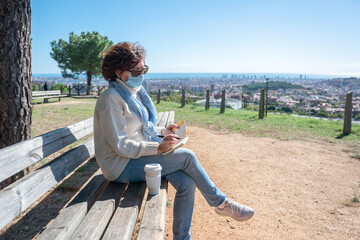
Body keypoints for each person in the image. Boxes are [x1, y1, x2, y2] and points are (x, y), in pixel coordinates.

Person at [94, 42, 254, 240]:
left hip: (135, 157)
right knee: (187, 156)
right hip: (119, 165)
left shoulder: (133, 93)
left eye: (143, 69)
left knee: (187, 183)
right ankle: (221, 204)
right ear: (118, 72)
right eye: (136, 71)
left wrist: (162, 131)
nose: (141, 75)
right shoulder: (111, 98)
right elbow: (121, 145)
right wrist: (158, 148)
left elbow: (140, 128)